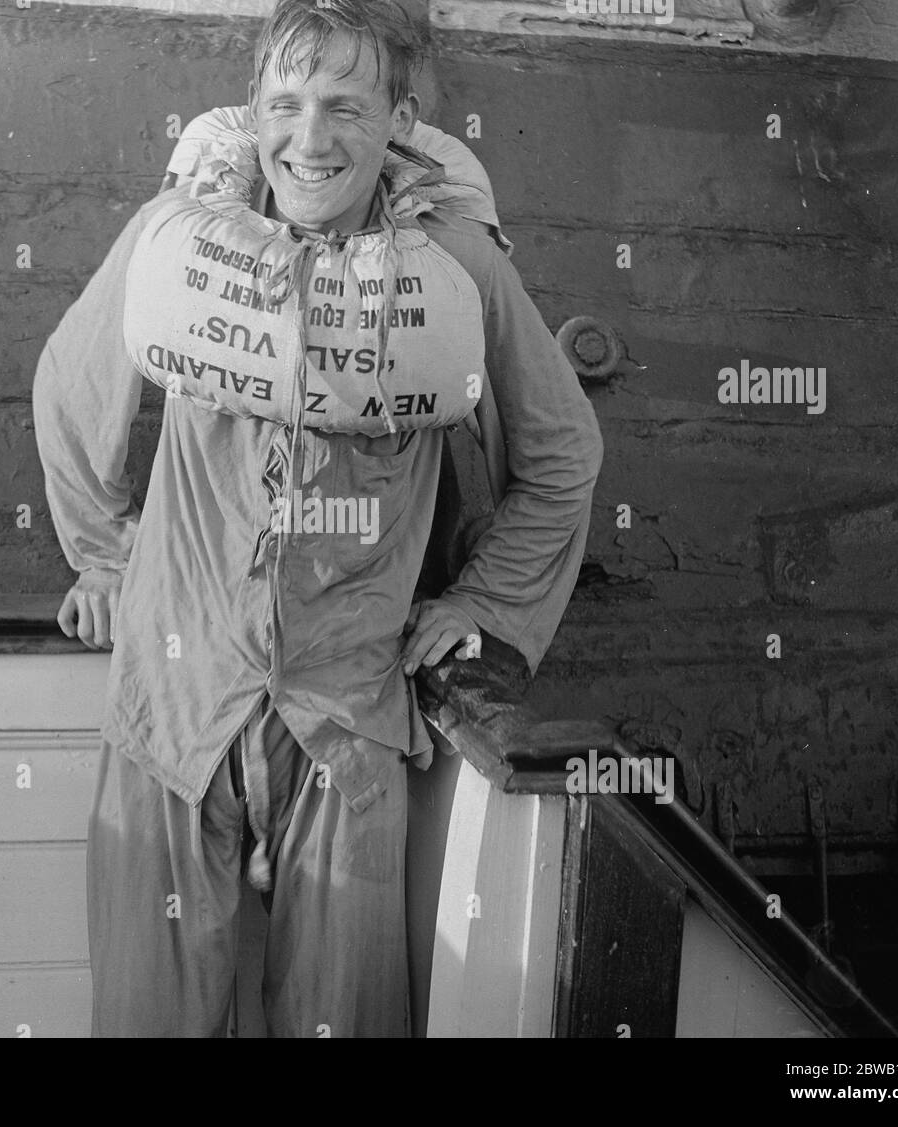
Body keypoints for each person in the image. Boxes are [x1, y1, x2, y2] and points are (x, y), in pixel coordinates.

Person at [32, 0, 602, 1038]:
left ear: (398, 117)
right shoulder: (179, 244)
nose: (310, 136)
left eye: (345, 104)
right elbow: (70, 386)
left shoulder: (455, 269)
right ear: (252, 113)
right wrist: (105, 555)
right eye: (285, 103)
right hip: (174, 705)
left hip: (344, 725)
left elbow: (562, 452)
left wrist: (485, 604)